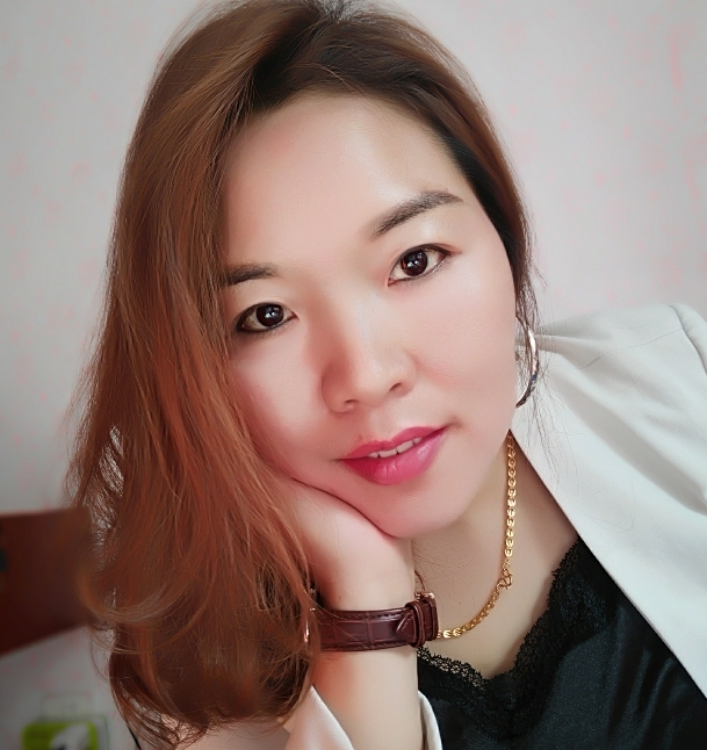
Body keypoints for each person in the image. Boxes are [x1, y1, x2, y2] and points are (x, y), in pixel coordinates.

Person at [69, 1, 707, 748]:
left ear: (503, 238)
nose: (367, 376)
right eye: (266, 315)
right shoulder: (194, 666)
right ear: (194, 361)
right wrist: (365, 600)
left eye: (415, 260)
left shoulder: (678, 375)